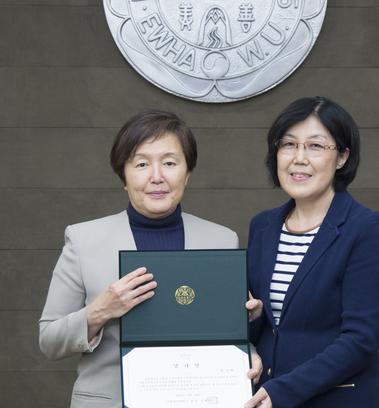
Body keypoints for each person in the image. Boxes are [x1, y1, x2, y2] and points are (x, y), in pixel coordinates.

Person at [39, 110, 241, 407]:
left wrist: (248, 318)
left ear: (187, 172)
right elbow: (49, 340)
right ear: (124, 175)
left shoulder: (223, 240)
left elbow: (230, 335)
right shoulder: (83, 240)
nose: (157, 177)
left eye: (170, 163)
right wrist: (100, 311)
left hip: (200, 398)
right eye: (142, 164)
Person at [244, 97, 379, 408]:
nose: (299, 159)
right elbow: (273, 326)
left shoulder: (364, 228)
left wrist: (284, 390)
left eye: (315, 146)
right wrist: (253, 319)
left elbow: (360, 340)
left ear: (341, 157)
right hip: (268, 397)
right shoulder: (263, 226)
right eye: (288, 145)